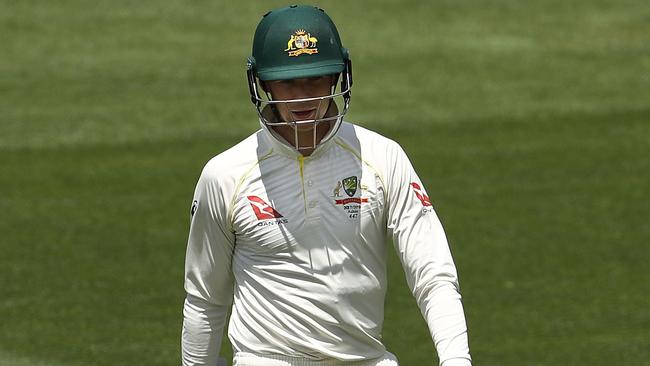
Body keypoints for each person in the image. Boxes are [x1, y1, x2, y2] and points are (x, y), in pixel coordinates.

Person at [181, 5, 472, 366]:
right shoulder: (225, 174)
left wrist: (456, 359)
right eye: (288, 82)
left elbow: (433, 273)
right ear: (263, 83)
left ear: (338, 78)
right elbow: (205, 297)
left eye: (316, 78)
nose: (303, 97)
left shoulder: (383, 157)